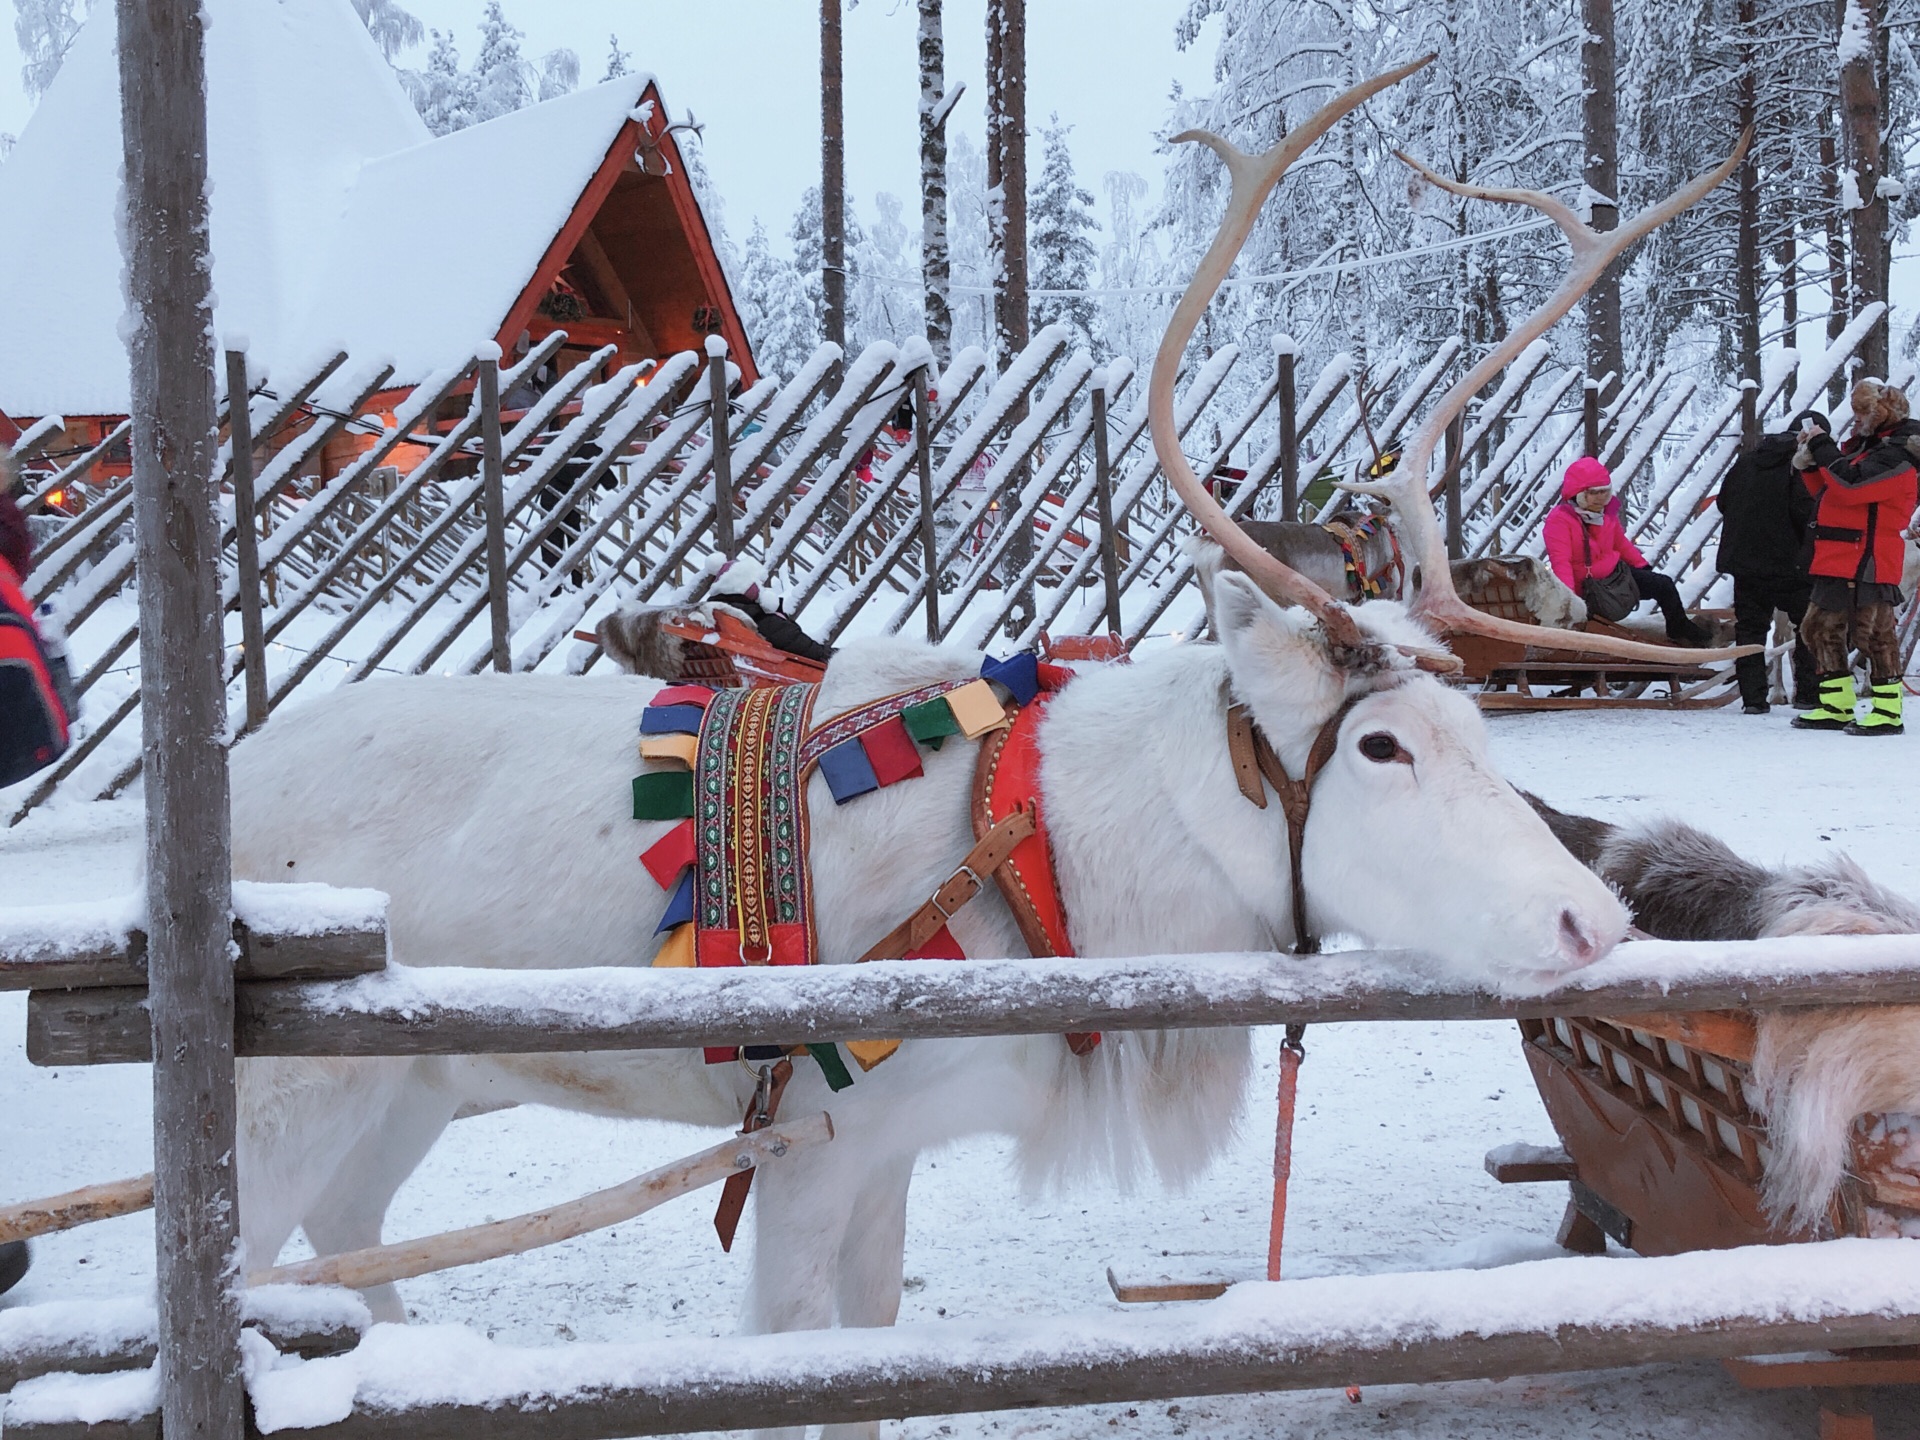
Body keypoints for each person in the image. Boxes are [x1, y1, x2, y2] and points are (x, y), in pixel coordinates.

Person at [1791, 378, 1920, 735]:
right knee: (1819, 629)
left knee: (1874, 636)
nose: (1855, 420)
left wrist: (1822, 445)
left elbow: (1849, 486)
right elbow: (1831, 490)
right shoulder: (1867, 448)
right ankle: (1837, 704)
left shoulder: (1899, 456)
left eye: (1861, 412)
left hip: (1868, 557)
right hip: (1840, 553)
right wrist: (1811, 465)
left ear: (1880, 414)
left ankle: (1887, 711)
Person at [1716, 412, 1822, 713]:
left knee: (1750, 629)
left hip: (1746, 561)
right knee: (1808, 626)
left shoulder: (1747, 461)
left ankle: (1753, 700)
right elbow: (1806, 511)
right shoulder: (1803, 465)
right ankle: (1808, 694)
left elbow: (1724, 502)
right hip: (1792, 564)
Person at [1544, 456, 1712, 645]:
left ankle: (1679, 629)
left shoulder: (1606, 514)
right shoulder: (1560, 520)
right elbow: (1561, 562)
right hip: (1587, 588)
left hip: (1616, 577)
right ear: (1578, 494)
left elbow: (1621, 544)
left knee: (1663, 585)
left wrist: (1642, 567)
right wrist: (1571, 602)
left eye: (1605, 492)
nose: (1601, 498)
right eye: (1594, 493)